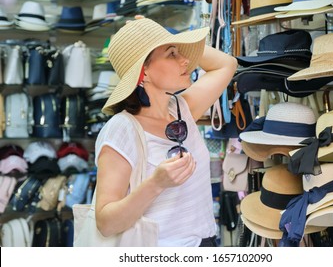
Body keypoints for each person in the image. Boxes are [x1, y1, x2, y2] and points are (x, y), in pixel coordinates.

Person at [94, 18, 237, 246]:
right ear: (144, 72)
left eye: (181, 52)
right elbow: (105, 222)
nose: (186, 61)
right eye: (172, 54)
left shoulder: (181, 109)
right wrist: (156, 183)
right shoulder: (122, 129)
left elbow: (226, 64)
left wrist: (170, 37)